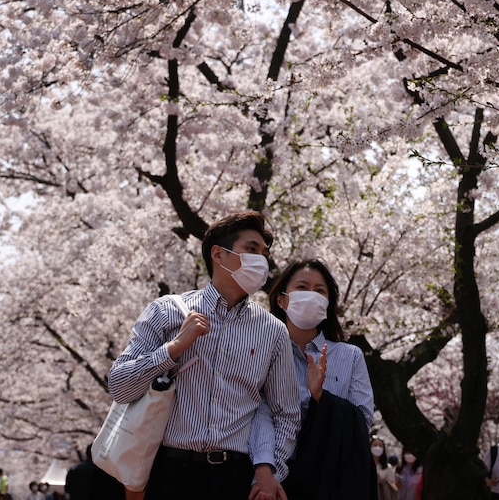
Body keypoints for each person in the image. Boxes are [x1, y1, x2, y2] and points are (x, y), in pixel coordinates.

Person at [107, 211, 301, 500]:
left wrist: (268, 473)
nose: (261, 260)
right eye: (251, 249)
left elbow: (284, 413)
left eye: (264, 253)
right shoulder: (166, 311)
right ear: (218, 255)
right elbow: (119, 386)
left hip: (234, 476)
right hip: (169, 472)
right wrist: (173, 348)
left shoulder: (273, 331)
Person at [250, 258, 376, 500]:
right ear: (281, 299)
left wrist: (322, 398)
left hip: (326, 483)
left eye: (319, 291)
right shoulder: (261, 351)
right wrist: (265, 471)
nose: (311, 296)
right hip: (265, 477)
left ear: (328, 304)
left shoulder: (349, 356)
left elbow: (363, 420)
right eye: (302, 287)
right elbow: (256, 411)